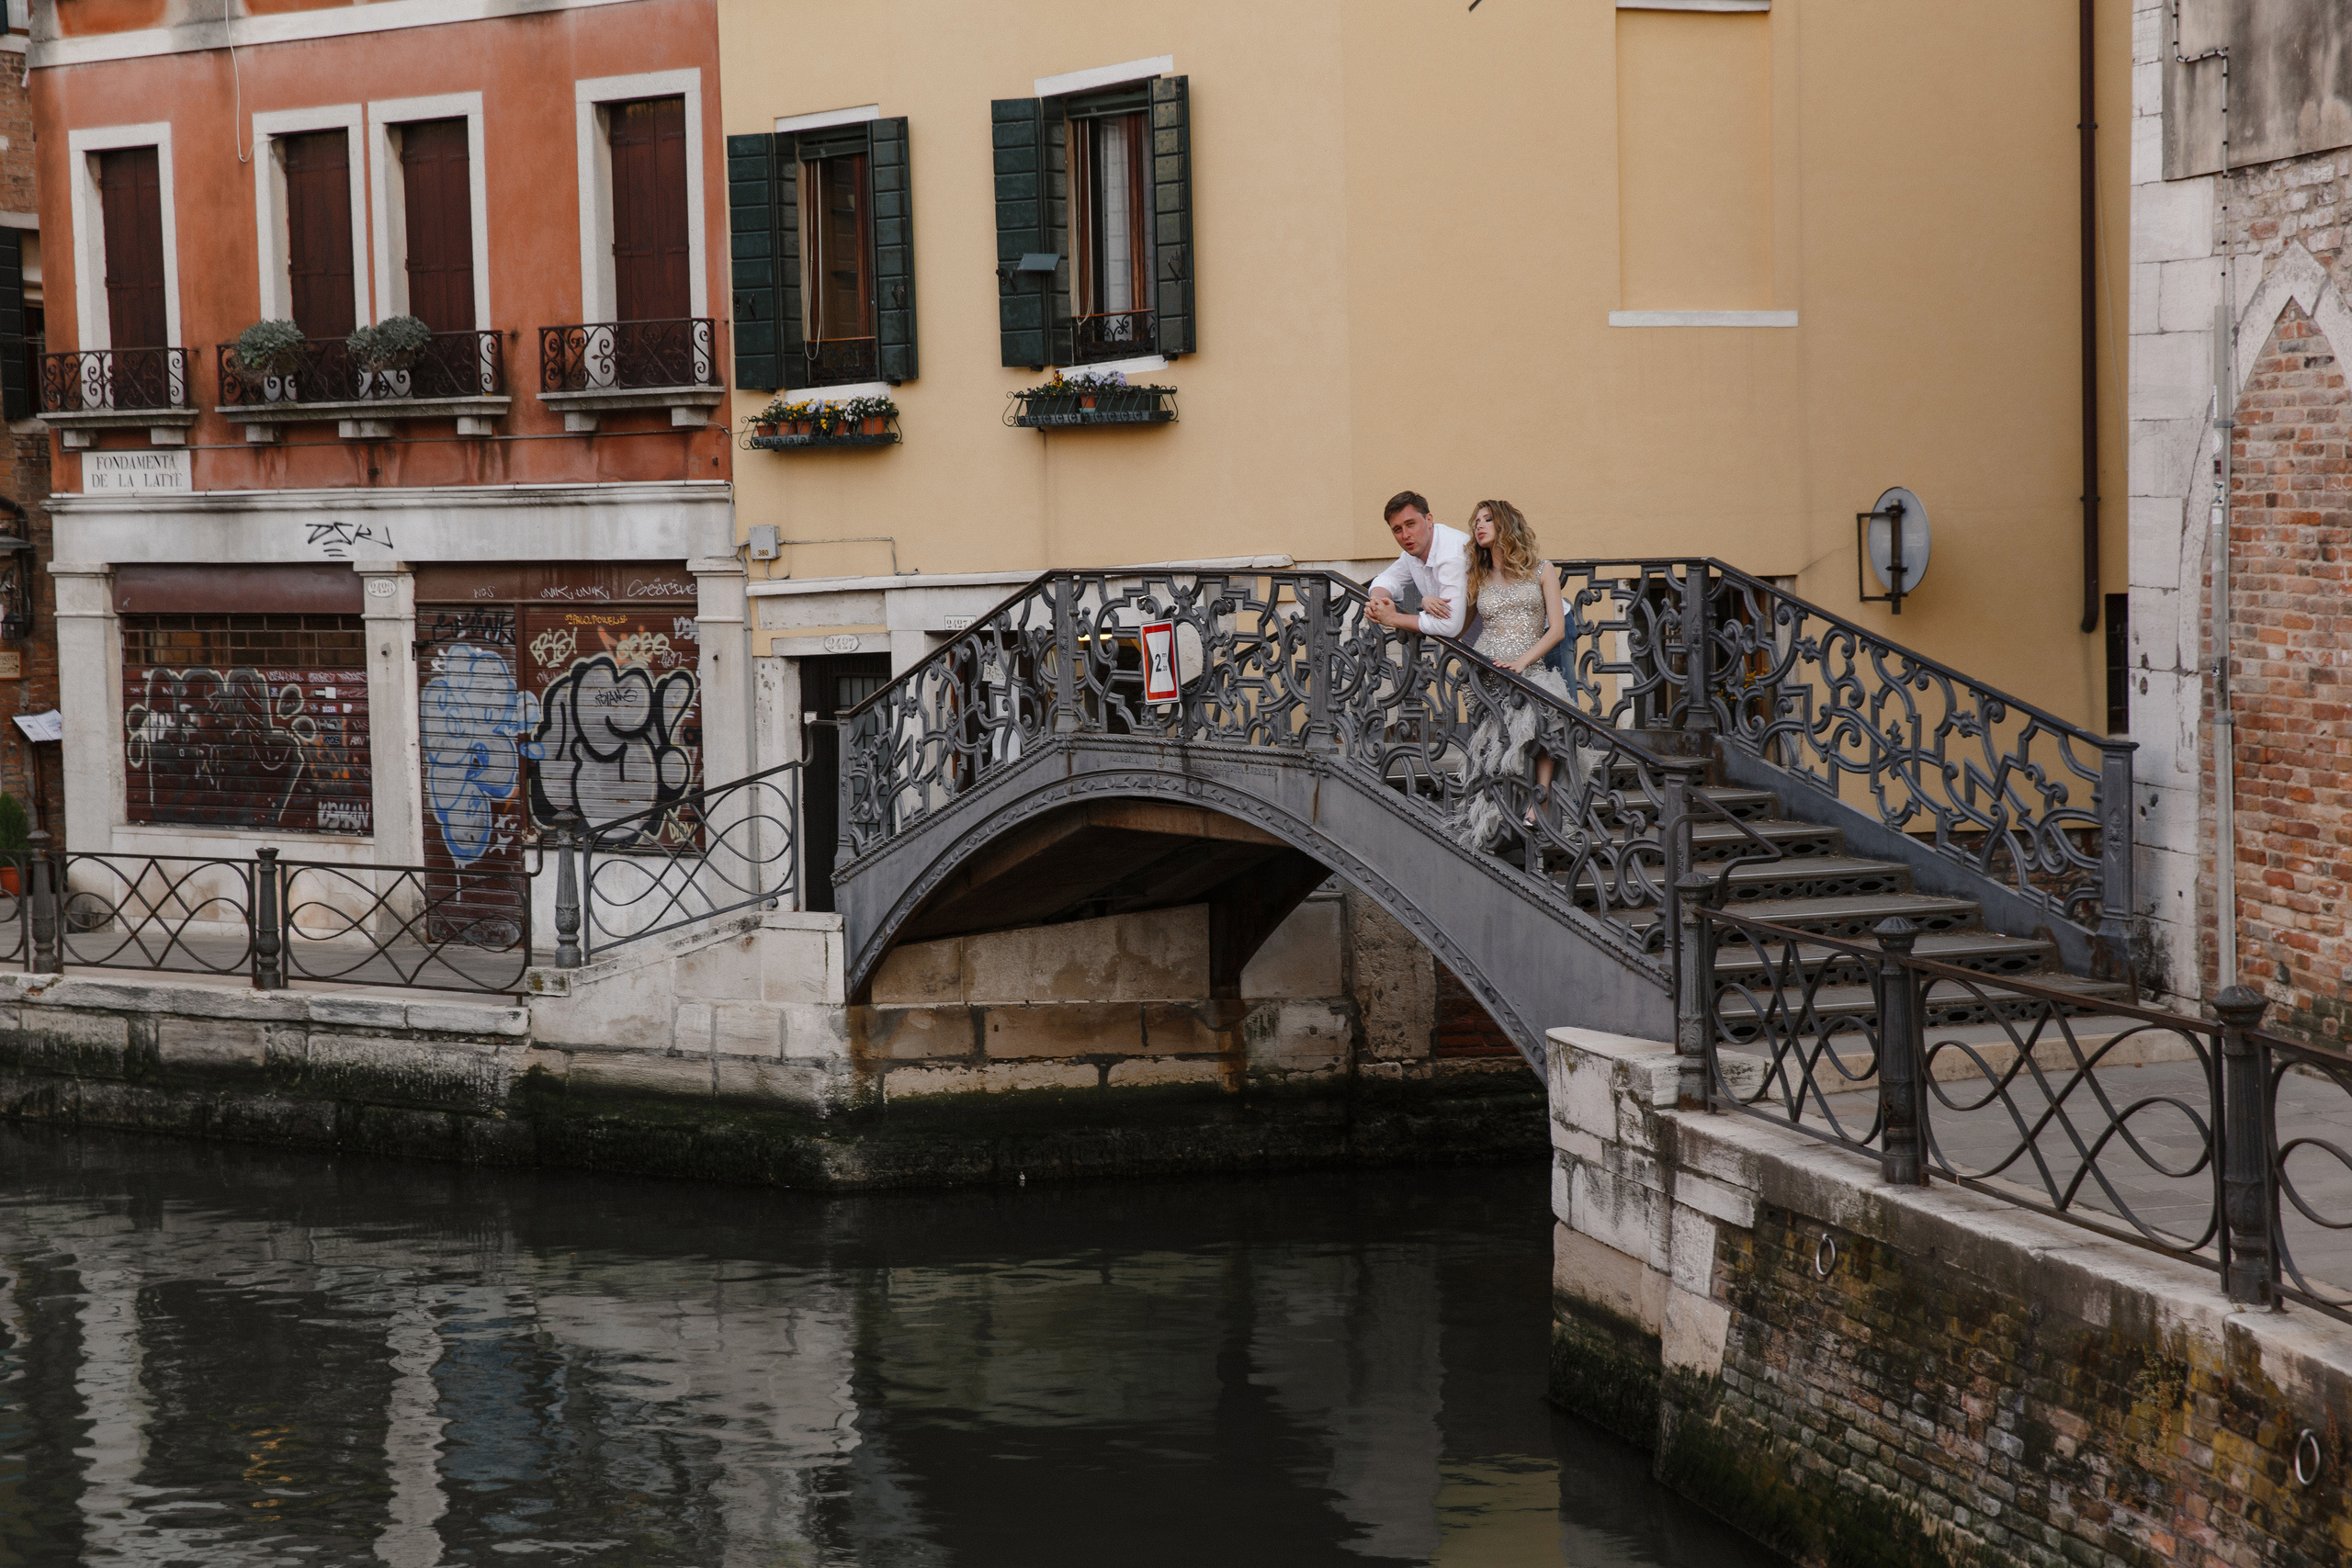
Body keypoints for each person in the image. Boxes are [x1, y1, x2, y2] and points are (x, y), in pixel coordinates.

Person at [1453, 500, 1580, 852]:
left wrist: (1524, 662)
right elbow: (1458, 628)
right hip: (1489, 671)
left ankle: (1538, 803)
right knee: (1498, 746)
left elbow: (1555, 630)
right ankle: (1497, 818)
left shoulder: (1542, 570)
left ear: (1505, 524)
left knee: (1545, 718)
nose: (1479, 525)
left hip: (1528, 667)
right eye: (1475, 520)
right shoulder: (1477, 577)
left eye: (1488, 519)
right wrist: (1425, 611)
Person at [1363, 491, 1469, 638]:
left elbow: (1449, 625)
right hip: (1469, 647)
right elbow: (1388, 579)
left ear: (1429, 520)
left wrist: (1393, 618)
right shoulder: (1413, 552)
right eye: (1397, 529)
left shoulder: (1451, 554)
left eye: (1410, 524)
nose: (1405, 535)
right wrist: (1377, 601)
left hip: (1494, 652)